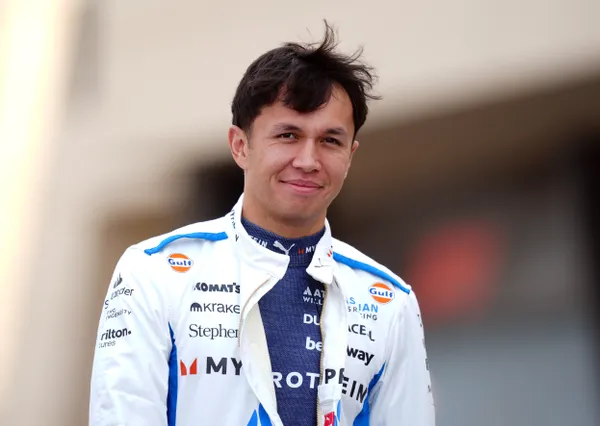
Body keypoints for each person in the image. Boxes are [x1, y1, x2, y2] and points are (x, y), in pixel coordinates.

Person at [89, 22, 434, 426]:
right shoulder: (153, 272)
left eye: (330, 141)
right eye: (288, 135)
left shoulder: (390, 302)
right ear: (240, 146)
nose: (308, 160)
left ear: (350, 155)